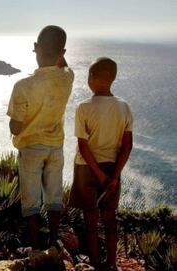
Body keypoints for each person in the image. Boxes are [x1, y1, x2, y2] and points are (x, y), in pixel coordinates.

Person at [7, 25, 74, 249]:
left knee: (31, 200)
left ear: (35, 48)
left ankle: (36, 247)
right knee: (54, 197)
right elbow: (64, 67)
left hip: (31, 149)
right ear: (62, 53)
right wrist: (60, 57)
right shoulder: (67, 78)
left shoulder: (23, 86)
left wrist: (15, 124)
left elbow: (15, 128)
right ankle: (53, 242)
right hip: (56, 147)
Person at [68, 57, 133, 270]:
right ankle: (112, 264)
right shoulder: (124, 107)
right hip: (112, 167)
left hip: (88, 169)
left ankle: (95, 264)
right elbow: (127, 146)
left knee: (90, 219)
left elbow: (83, 147)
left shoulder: (83, 107)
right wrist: (113, 176)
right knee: (109, 218)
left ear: (92, 79)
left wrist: (99, 174)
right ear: (112, 79)